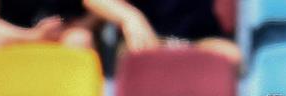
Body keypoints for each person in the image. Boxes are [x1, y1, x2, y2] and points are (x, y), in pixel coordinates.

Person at [84, 0, 240, 64]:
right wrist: (130, 17)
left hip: (201, 40)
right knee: (138, 56)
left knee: (232, 56)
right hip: (149, 39)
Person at [0, 0, 99, 58]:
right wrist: (33, 36)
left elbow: (98, 8)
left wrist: (79, 25)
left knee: (79, 39)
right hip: (13, 35)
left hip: (63, 34)